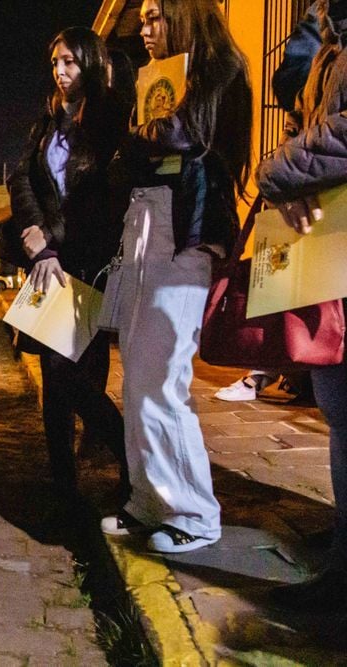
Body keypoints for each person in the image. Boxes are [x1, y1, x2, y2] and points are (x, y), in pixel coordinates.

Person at [99, 0, 253, 553]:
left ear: (184, 13)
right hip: (147, 221)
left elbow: (183, 135)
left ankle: (193, 512)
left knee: (162, 371)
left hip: (187, 229)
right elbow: (135, 156)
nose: (143, 28)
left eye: (153, 15)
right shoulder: (156, 78)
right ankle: (149, 500)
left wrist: (140, 137)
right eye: (141, 18)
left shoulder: (221, 71)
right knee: (137, 373)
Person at [3, 27, 130, 498]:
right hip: (46, 260)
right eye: (56, 61)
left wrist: (51, 238)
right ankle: (61, 483)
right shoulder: (49, 118)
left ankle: (124, 455)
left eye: (71, 62)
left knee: (65, 373)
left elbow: (102, 194)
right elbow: (22, 179)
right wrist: (37, 238)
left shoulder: (110, 116)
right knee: (51, 375)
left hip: (86, 258)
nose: (60, 71)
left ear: (91, 64)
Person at [257, 0, 347, 611]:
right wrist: (291, 179)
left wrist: (276, 173)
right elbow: (308, 124)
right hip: (334, 245)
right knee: (337, 408)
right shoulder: (329, 41)